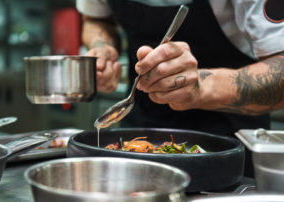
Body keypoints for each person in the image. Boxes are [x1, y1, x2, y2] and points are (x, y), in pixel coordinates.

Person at [76, 0, 284, 176]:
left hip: (228, 146)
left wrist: (202, 87)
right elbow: (96, 17)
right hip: (139, 130)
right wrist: (103, 47)